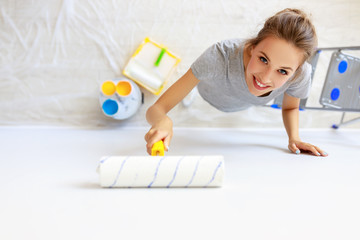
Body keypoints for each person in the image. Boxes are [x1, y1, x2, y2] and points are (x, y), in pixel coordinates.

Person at [144, 8, 328, 157]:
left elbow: (289, 108)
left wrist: (294, 138)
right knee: (194, 80)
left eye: (282, 71)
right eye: (263, 59)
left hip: (241, 104)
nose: (265, 78)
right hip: (209, 92)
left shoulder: (301, 75)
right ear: (253, 47)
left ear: (296, 71)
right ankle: (193, 84)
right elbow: (156, 109)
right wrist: (163, 121)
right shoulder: (217, 57)